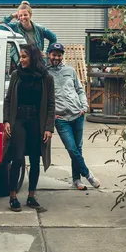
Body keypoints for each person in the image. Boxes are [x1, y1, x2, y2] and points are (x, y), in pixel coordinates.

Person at [3, 43, 55, 212]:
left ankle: (31, 197)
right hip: (19, 119)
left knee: (34, 159)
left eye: (24, 57)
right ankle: (13, 197)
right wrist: (6, 121)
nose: (21, 60)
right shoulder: (16, 75)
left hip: (36, 122)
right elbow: (8, 99)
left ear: (33, 57)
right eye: (21, 57)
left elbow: (51, 105)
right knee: (17, 158)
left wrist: (49, 127)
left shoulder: (46, 78)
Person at [47, 42, 100, 191]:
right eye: (54, 54)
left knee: (78, 148)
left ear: (62, 56)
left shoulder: (70, 71)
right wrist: (52, 115)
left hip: (77, 115)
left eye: (59, 55)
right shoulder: (45, 74)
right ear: (49, 55)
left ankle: (76, 180)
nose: (56, 57)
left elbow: (80, 89)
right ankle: (88, 174)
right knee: (71, 148)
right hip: (61, 118)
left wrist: (84, 106)